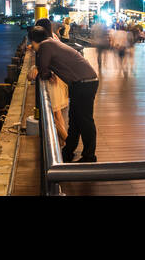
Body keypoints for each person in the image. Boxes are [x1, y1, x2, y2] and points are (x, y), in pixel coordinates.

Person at [26, 24, 98, 162]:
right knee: (75, 120)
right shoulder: (51, 42)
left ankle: (89, 156)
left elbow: (43, 69)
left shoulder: (45, 46)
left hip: (84, 83)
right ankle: (68, 151)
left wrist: (46, 73)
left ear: (33, 40)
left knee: (85, 121)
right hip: (82, 82)